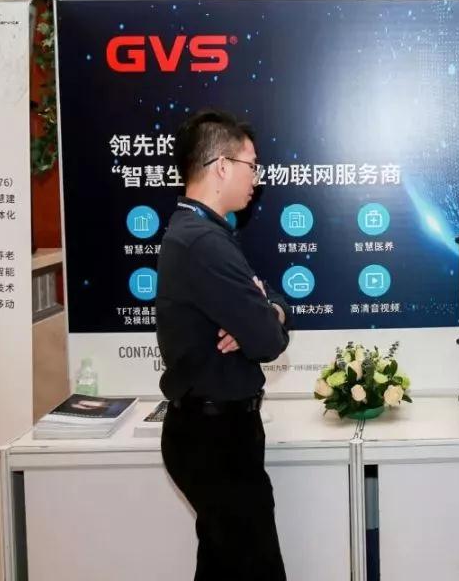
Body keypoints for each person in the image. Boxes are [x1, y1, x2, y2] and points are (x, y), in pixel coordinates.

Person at [155, 109, 294, 581]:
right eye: (251, 165)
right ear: (221, 166)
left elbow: (271, 304)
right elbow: (267, 340)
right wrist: (262, 318)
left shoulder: (207, 233)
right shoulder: (202, 242)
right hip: (214, 440)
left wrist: (265, 311)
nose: (257, 177)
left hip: (216, 434)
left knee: (221, 566)